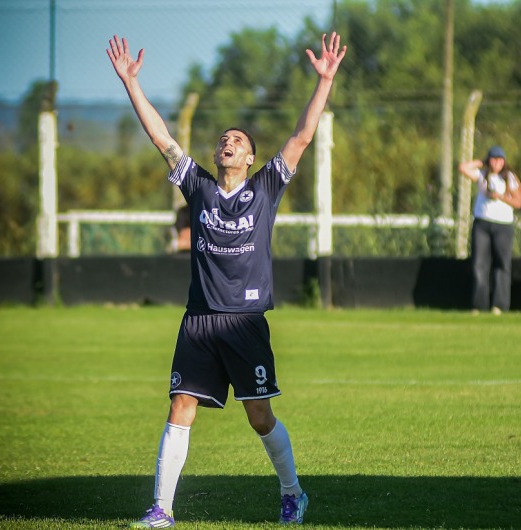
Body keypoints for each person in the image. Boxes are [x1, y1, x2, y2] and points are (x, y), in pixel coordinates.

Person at [107, 32, 346, 528]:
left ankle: (292, 493)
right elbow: (162, 139)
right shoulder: (196, 186)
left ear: (251, 158)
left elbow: (301, 137)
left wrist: (323, 82)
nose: (227, 142)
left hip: (245, 323)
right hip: (199, 321)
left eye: (237, 141)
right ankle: (162, 509)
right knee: (180, 405)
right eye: (224, 139)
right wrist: (132, 83)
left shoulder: (265, 189)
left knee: (259, 417)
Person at [458, 145, 521, 315]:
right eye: (493, 159)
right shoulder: (482, 175)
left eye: (499, 160)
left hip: (502, 225)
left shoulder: (509, 177)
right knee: (480, 263)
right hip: (482, 223)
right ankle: (479, 304)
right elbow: (463, 168)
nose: (496, 163)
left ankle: (499, 305)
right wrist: (482, 162)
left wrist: (500, 197)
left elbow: (518, 202)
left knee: (502, 264)